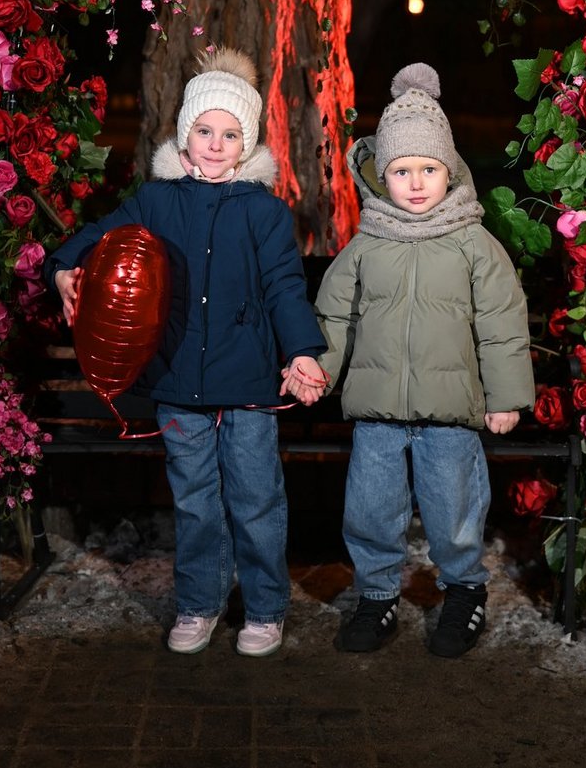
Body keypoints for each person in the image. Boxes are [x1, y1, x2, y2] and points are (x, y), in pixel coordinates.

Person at [44, 46, 327, 658]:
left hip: (249, 383)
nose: (216, 144)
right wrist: (65, 265)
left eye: (231, 134)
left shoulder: (266, 213)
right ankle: (198, 604)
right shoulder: (156, 200)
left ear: (247, 143)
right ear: (184, 132)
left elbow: (284, 287)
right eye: (204, 130)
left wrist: (301, 351)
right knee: (196, 502)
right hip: (177, 382)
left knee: (254, 499)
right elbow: (97, 236)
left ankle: (265, 608)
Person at [314, 62, 534, 658]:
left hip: (449, 416)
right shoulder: (366, 245)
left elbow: (501, 323)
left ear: (450, 171)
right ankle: (377, 595)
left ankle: (464, 590)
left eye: (429, 169)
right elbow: (335, 316)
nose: (416, 183)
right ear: (383, 177)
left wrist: (505, 396)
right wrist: (318, 369)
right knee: (370, 508)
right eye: (403, 171)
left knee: (453, 507)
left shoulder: (473, 244)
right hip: (378, 414)